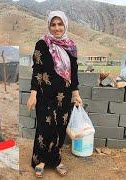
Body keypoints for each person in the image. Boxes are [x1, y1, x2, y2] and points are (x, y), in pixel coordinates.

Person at [27, 11, 82, 178]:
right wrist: (33, 94)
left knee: (60, 127)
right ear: (49, 26)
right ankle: (40, 161)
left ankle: (56, 160)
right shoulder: (42, 44)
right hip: (45, 94)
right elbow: (37, 69)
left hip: (64, 95)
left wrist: (76, 94)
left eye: (60, 24)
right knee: (44, 126)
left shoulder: (70, 46)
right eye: (53, 24)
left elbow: (74, 72)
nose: (57, 28)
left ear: (65, 25)